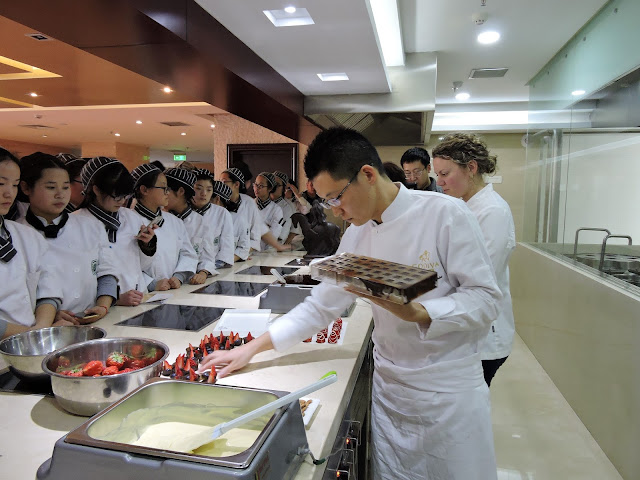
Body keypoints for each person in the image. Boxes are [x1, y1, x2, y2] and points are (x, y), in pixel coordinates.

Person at [199, 127, 501, 480]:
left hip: (446, 390)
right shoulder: (358, 233)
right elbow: (321, 306)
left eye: (336, 197)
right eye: (327, 201)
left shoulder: (445, 214)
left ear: (368, 175)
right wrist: (252, 349)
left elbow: (484, 300)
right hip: (391, 386)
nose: (336, 211)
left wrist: (420, 312)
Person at [432, 133, 516, 386]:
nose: (440, 182)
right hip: (465, 328)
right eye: (438, 174)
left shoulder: (492, 212)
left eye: (445, 174)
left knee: (466, 412)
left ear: (471, 168)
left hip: (484, 336)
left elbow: (478, 277)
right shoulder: (464, 206)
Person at [18, 153, 118, 324]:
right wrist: (49, 316)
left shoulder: (90, 226)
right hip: (47, 327)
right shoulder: (19, 235)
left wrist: (102, 306)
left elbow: (106, 272)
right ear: (26, 188)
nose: (60, 194)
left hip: (94, 320)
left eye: (65, 187)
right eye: (51, 187)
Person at [0, 147, 68, 335]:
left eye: (14, 185)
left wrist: (40, 330)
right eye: (0, 184)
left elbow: (48, 290)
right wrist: (29, 336)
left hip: (27, 344)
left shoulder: (25, 236)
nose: (9, 193)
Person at [76, 157, 157, 306]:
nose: (122, 201)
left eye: (125, 195)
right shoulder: (77, 223)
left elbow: (142, 266)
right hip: (100, 308)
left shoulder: (131, 217)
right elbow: (81, 277)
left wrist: (147, 245)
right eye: (117, 195)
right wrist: (115, 299)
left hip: (138, 300)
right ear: (96, 190)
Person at [130, 164, 198, 292]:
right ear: (144, 190)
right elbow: (124, 264)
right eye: (163, 188)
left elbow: (188, 254)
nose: (168, 193)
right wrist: (151, 284)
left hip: (174, 291)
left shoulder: (175, 222)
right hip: (142, 295)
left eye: (168, 188)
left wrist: (179, 277)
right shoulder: (128, 222)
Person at [164, 167, 218, 285]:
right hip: (162, 283)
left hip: (188, 284)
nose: (164, 195)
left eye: (166, 190)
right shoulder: (161, 219)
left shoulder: (201, 222)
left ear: (181, 192)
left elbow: (208, 257)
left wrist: (203, 273)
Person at [188, 168, 235, 269]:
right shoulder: (184, 213)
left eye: (209, 190)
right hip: (186, 271)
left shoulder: (222, 213)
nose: (204, 193)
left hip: (215, 270)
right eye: (198, 188)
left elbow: (227, 248)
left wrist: (207, 270)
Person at [210, 179, 250, 262]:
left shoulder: (238, 219)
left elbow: (244, 248)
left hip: (226, 268)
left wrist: (225, 261)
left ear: (217, 200)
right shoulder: (203, 218)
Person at [253, 172, 286, 251]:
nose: (256, 188)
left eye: (261, 185)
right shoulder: (249, 205)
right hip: (248, 252)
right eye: (255, 185)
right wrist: (265, 228)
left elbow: (273, 236)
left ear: (270, 188)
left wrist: (255, 229)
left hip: (266, 252)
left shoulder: (276, 210)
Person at [271, 171, 295, 244]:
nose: (273, 187)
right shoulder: (260, 202)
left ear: (284, 188)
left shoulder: (289, 206)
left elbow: (295, 230)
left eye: (277, 185)